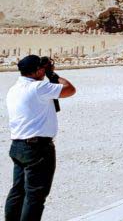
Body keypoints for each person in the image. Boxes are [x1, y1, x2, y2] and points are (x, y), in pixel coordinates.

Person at [6, 55, 76, 221]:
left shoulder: (14, 89)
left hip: (18, 146)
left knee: (18, 192)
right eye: (42, 69)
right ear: (37, 71)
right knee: (35, 196)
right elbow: (70, 89)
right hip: (37, 149)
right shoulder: (39, 87)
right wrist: (53, 75)